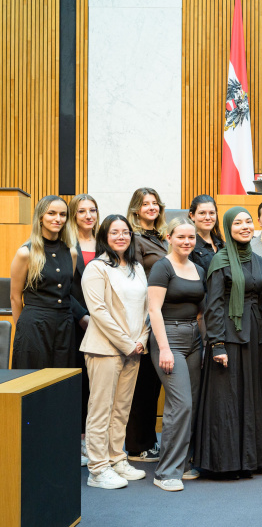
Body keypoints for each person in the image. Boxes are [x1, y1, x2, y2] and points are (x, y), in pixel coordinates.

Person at [194, 207, 262, 477]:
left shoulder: (260, 262)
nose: (244, 226)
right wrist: (217, 344)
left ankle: (252, 459)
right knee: (227, 398)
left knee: (252, 395)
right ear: (228, 228)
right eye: (238, 223)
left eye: (248, 221)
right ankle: (225, 462)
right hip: (227, 335)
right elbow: (213, 305)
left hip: (254, 338)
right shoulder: (220, 261)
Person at [81, 215, 150, 489]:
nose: (121, 236)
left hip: (134, 348)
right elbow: (98, 312)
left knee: (121, 410)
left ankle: (116, 458)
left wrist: (142, 339)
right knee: (101, 409)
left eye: (125, 232)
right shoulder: (96, 268)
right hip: (105, 349)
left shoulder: (136, 267)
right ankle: (97, 469)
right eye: (114, 232)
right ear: (104, 237)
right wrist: (126, 342)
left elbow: (146, 308)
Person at [147, 217, 206, 491]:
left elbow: (201, 312)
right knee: (179, 404)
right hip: (168, 339)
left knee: (190, 404)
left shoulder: (198, 268)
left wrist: (207, 343)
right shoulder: (162, 267)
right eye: (181, 237)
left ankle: (182, 464)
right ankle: (165, 472)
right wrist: (165, 349)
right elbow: (154, 309)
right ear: (169, 238)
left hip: (194, 339)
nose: (186, 242)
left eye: (191, 238)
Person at [125, 187, 169, 463]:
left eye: (155, 203)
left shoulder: (163, 238)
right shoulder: (135, 239)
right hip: (146, 316)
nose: (151, 207)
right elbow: (138, 281)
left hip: (164, 315)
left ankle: (150, 440)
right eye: (145, 204)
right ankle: (137, 444)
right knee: (141, 386)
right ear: (136, 209)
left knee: (153, 385)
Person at [10, 195, 77, 369]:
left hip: (64, 325)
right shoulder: (26, 253)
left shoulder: (71, 253)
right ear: (40, 217)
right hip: (34, 326)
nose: (58, 219)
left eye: (63, 215)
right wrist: (23, 332)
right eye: (52, 213)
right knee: (32, 382)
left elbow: (68, 291)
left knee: (62, 381)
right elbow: (15, 298)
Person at [66, 194, 99, 466]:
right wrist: (82, 316)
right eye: (82, 211)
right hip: (74, 323)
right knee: (79, 381)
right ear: (73, 216)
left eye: (93, 210)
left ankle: (92, 439)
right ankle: (76, 440)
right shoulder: (66, 244)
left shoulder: (105, 243)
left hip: (103, 323)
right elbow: (61, 287)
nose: (88, 216)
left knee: (96, 383)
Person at [188, 194, 224, 273]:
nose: (208, 217)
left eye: (211, 213)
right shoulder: (188, 245)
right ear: (192, 216)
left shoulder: (222, 244)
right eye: (202, 213)